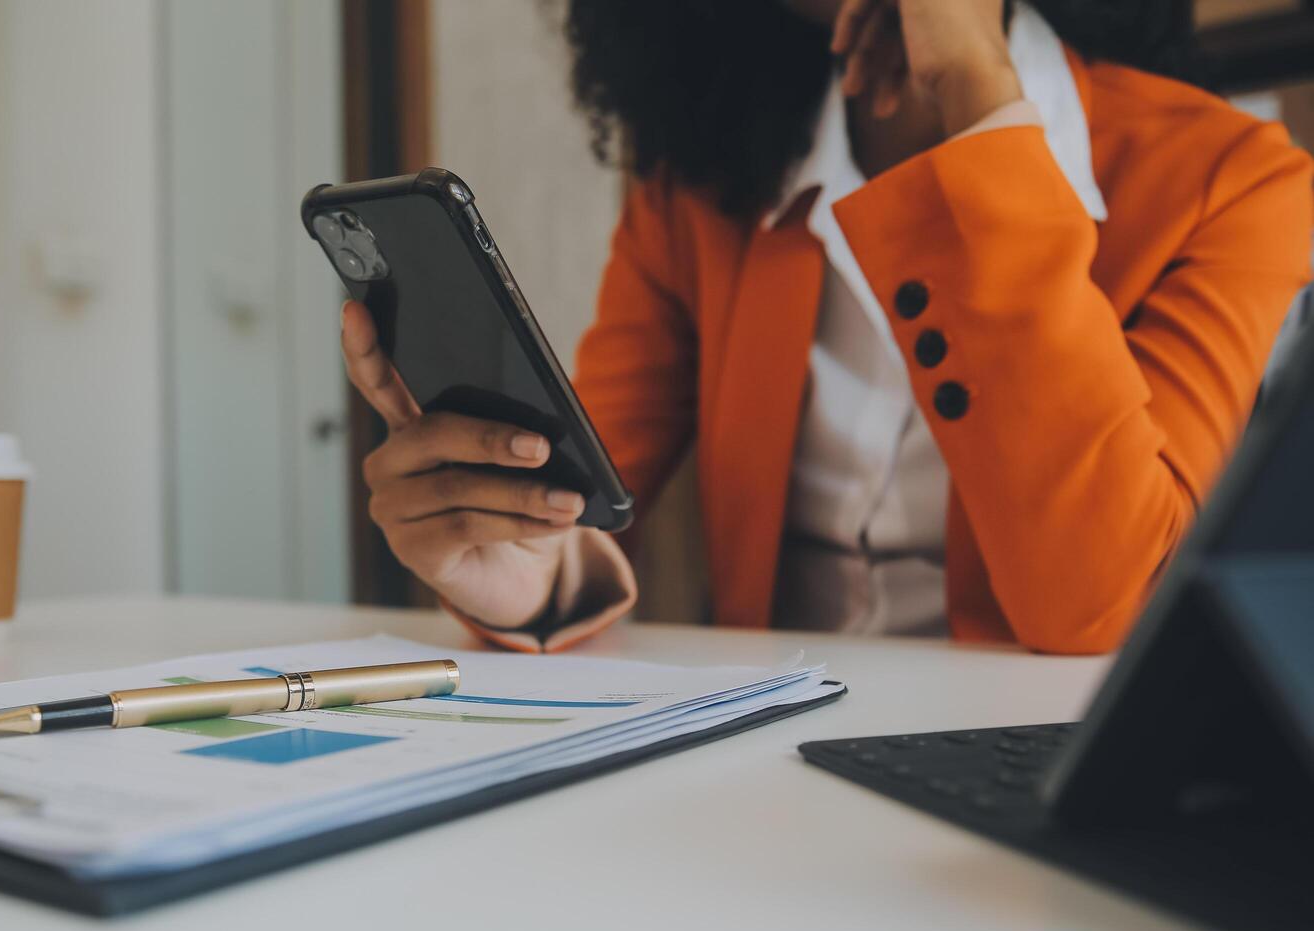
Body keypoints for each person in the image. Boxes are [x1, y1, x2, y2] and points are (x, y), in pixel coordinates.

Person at [339, 0, 1314, 654]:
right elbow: (586, 501)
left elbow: (1097, 604)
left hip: (1038, 788)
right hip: (767, 766)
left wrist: (978, 83)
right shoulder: (695, 183)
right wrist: (526, 570)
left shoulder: (1236, 179)